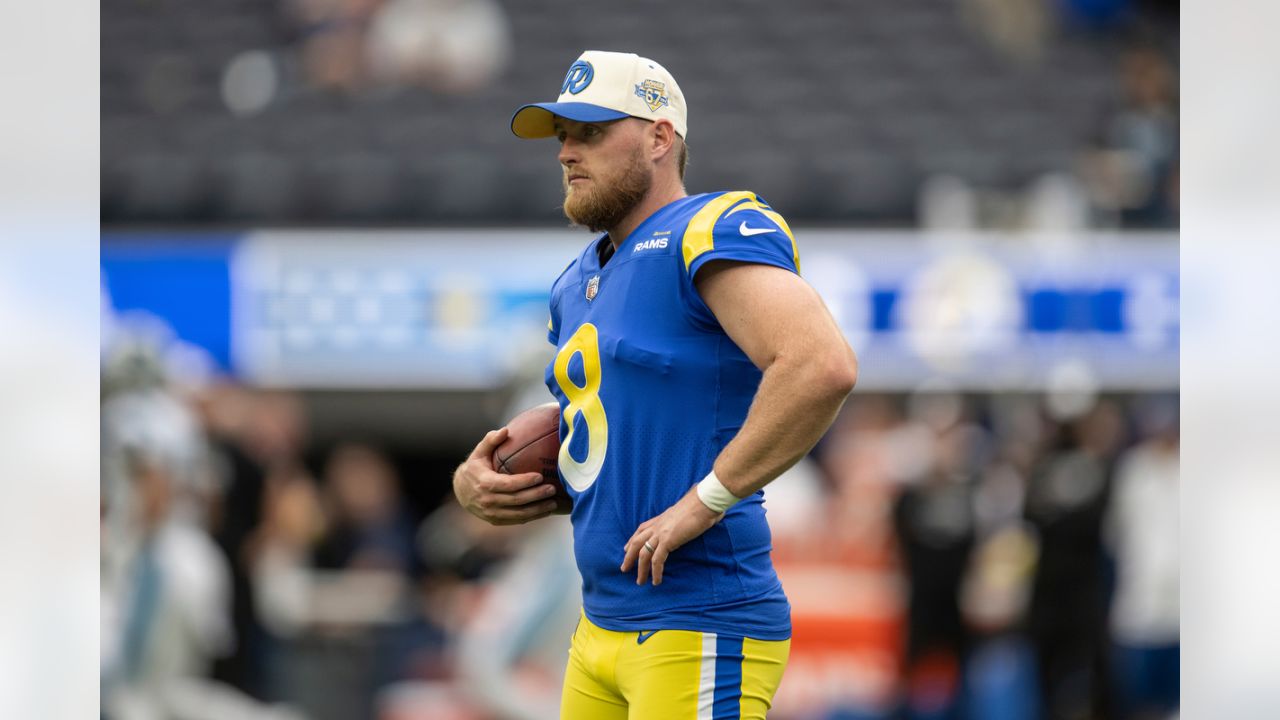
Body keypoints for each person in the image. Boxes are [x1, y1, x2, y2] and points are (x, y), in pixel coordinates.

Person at [452, 50, 858, 719]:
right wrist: (480, 484)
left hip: (698, 617)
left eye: (589, 132)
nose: (566, 153)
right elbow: (609, 456)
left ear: (659, 137)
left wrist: (707, 499)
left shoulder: (710, 228)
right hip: (600, 624)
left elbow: (821, 366)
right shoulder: (575, 282)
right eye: (561, 137)